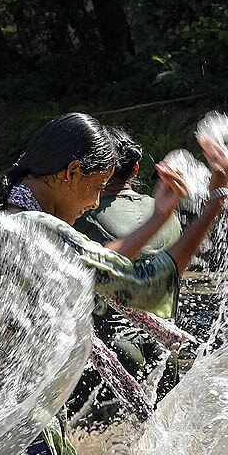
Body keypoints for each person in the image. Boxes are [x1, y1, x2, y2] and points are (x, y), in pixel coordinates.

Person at [0, 112, 228, 455]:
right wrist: (213, 205)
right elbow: (145, 285)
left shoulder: (6, 218)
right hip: (27, 430)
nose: (94, 203)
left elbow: (96, 261)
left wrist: (159, 216)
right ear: (71, 173)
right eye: (95, 187)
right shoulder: (40, 229)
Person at [73, 126, 184, 421]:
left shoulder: (83, 217)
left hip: (111, 356)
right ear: (136, 168)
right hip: (164, 350)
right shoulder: (167, 214)